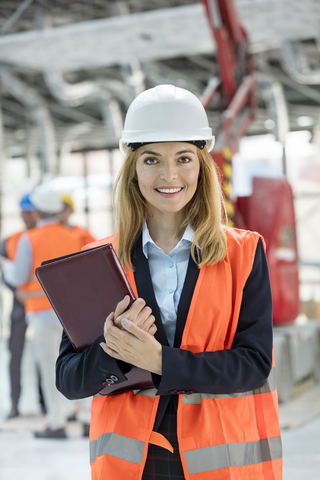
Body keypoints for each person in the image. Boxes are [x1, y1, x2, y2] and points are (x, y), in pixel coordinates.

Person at [56, 85, 282, 479]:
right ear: (133, 170)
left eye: (183, 158)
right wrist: (114, 351)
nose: (169, 175)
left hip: (222, 460)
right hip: (135, 463)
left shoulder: (244, 253)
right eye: (151, 159)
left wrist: (159, 362)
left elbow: (254, 364)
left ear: (202, 166)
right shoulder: (99, 262)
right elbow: (70, 379)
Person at [0, 183, 82, 438]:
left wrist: (5, 267)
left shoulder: (29, 238)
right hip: (70, 311)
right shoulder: (72, 236)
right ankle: (87, 416)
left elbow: (18, 275)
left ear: (36, 212)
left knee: (50, 365)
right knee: (79, 360)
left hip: (40, 310)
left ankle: (56, 421)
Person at [0, 193, 38, 419]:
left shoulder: (46, 237)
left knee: (49, 353)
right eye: (24, 212)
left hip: (44, 304)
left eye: (31, 211)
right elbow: (5, 272)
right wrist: (17, 292)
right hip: (20, 305)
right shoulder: (10, 240)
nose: (27, 216)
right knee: (15, 353)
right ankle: (15, 403)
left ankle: (46, 404)